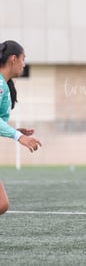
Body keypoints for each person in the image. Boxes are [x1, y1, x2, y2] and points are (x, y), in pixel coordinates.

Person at [0, 40, 42, 215]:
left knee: (1, 204)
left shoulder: (4, 86)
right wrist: (19, 137)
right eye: (24, 59)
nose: (24, 64)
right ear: (13, 59)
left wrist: (16, 131)